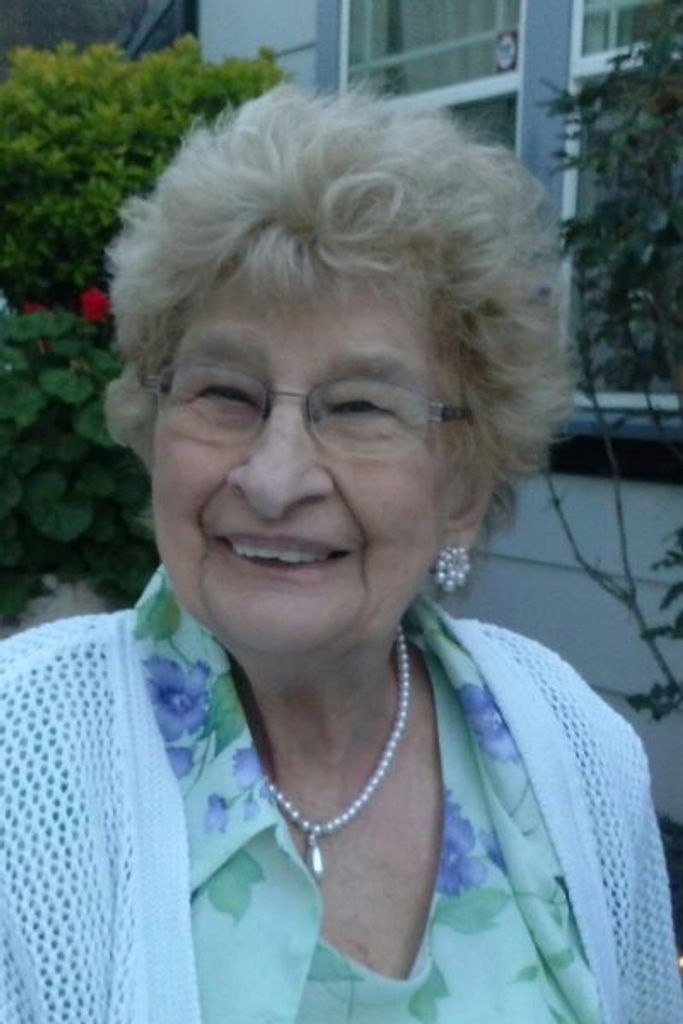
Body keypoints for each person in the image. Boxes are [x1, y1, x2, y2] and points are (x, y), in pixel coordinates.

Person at [0, 87, 680, 1024]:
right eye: (224, 393)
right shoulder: (18, 761)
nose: (274, 478)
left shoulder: (577, 750)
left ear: (463, 486)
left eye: (359, 406)